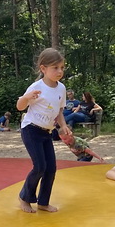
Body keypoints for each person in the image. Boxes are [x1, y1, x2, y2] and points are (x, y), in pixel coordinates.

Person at [16, 48, 73, 213]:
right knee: (40, 166)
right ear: (43, 69)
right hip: (31, 130)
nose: (60, 71)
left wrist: (63, 125)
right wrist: (26, 98)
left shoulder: (61, 88)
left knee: (51, 168)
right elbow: (20, 107)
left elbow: (59, 111)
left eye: (62, 67)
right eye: (55, 67)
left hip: (46, 132)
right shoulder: (36, 87)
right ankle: (25, 197)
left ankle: (43, 202)